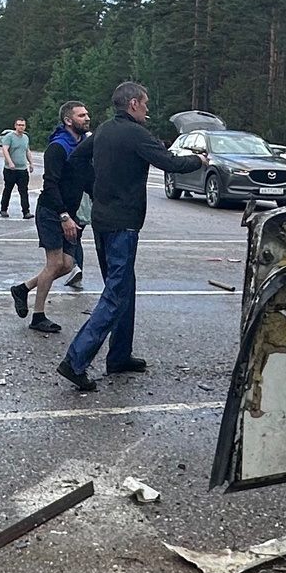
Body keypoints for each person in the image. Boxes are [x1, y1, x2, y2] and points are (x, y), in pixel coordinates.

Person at [58, 80, 193, 392]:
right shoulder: (136, 134)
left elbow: (77, 160)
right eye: (144, 104)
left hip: (104, 221)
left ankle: (119, 356)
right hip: (123, 225)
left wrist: (95, 188)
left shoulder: (103, 130)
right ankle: (76, 360)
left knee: (123, 287)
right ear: (133, 104)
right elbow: (170, 163)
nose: (147, 110)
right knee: (116, 293)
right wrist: (200, 160)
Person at [11, 101, 91, 335]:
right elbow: (51, 184)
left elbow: (87, 178)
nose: (87, 118)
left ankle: (22, 289)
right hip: (51, 211)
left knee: (67, 265)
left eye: (87, 114)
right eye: (81, 115)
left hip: (71, 212)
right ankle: (38, 316)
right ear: (68, 120)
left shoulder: (83, 144)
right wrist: (63, 215)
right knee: (55, 263)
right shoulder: (58, 147)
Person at [0, 118, 32, 218]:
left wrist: (31, 163)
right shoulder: (9, 137)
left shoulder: (25, 138)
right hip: (10, 169)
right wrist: (10, 162)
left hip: (22, 169)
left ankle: (26, 212)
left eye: (23, 125)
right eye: (19, 125)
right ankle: (3, 209)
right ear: (15, 126)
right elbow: (5, 150)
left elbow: (27, 150)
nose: (21, 127)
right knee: (8, 189)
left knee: (24, 191)